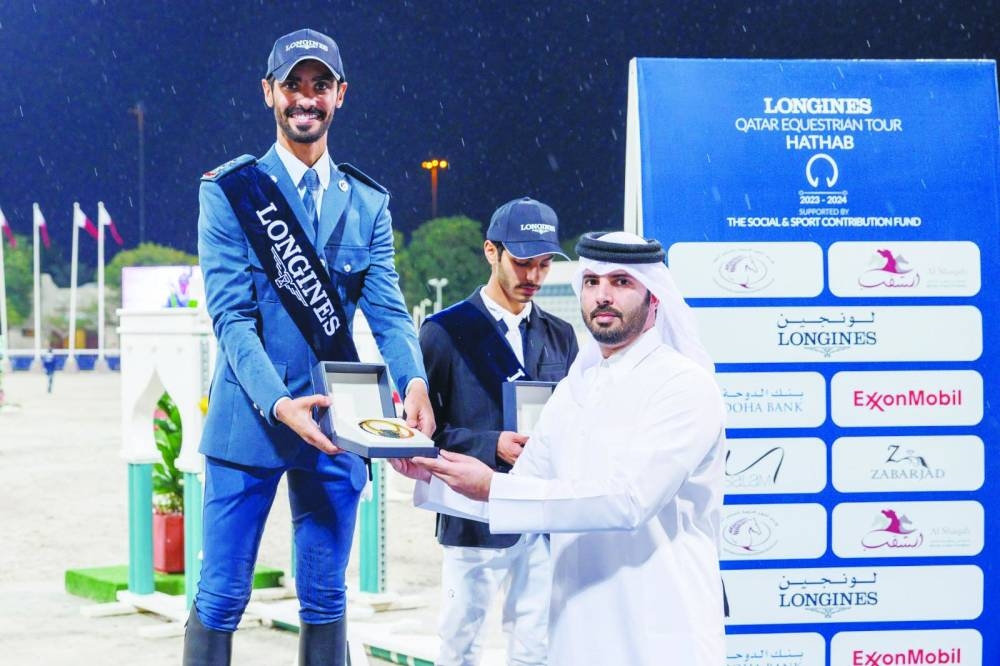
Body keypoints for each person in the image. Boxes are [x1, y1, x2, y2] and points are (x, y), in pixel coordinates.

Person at [186, 28, 435, 666]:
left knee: (326, 599)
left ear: (340, 96)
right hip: (251, 421)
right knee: (220, 598)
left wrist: (413, 384)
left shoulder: (368, 203)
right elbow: (231, 320)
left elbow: (387, 308)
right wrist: (277, 402)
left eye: (319, 85)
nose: (306, 98)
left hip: (335, 423)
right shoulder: (231, 191)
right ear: (268, 92)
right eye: (292, 85)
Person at [394, 231, 726, 666]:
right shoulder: (574, 390)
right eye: (591, 282)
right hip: (579, 629)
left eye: (622, 282)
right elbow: (523, 493)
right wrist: (433, 473)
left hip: (661, 626)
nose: (603, 295)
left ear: (655, 297)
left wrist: (494, 487)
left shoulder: (684, 386)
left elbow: (628, 501)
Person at [420, 197, 578, 665]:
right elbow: (426, 434)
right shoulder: (443, 332)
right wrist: (491, 445)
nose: (534, 276)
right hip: (472, 517)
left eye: (544, 264)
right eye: (523, 262)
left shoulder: (561, 335)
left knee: (537, 648)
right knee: (459, 645)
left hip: (541, 518)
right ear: (491, 251)